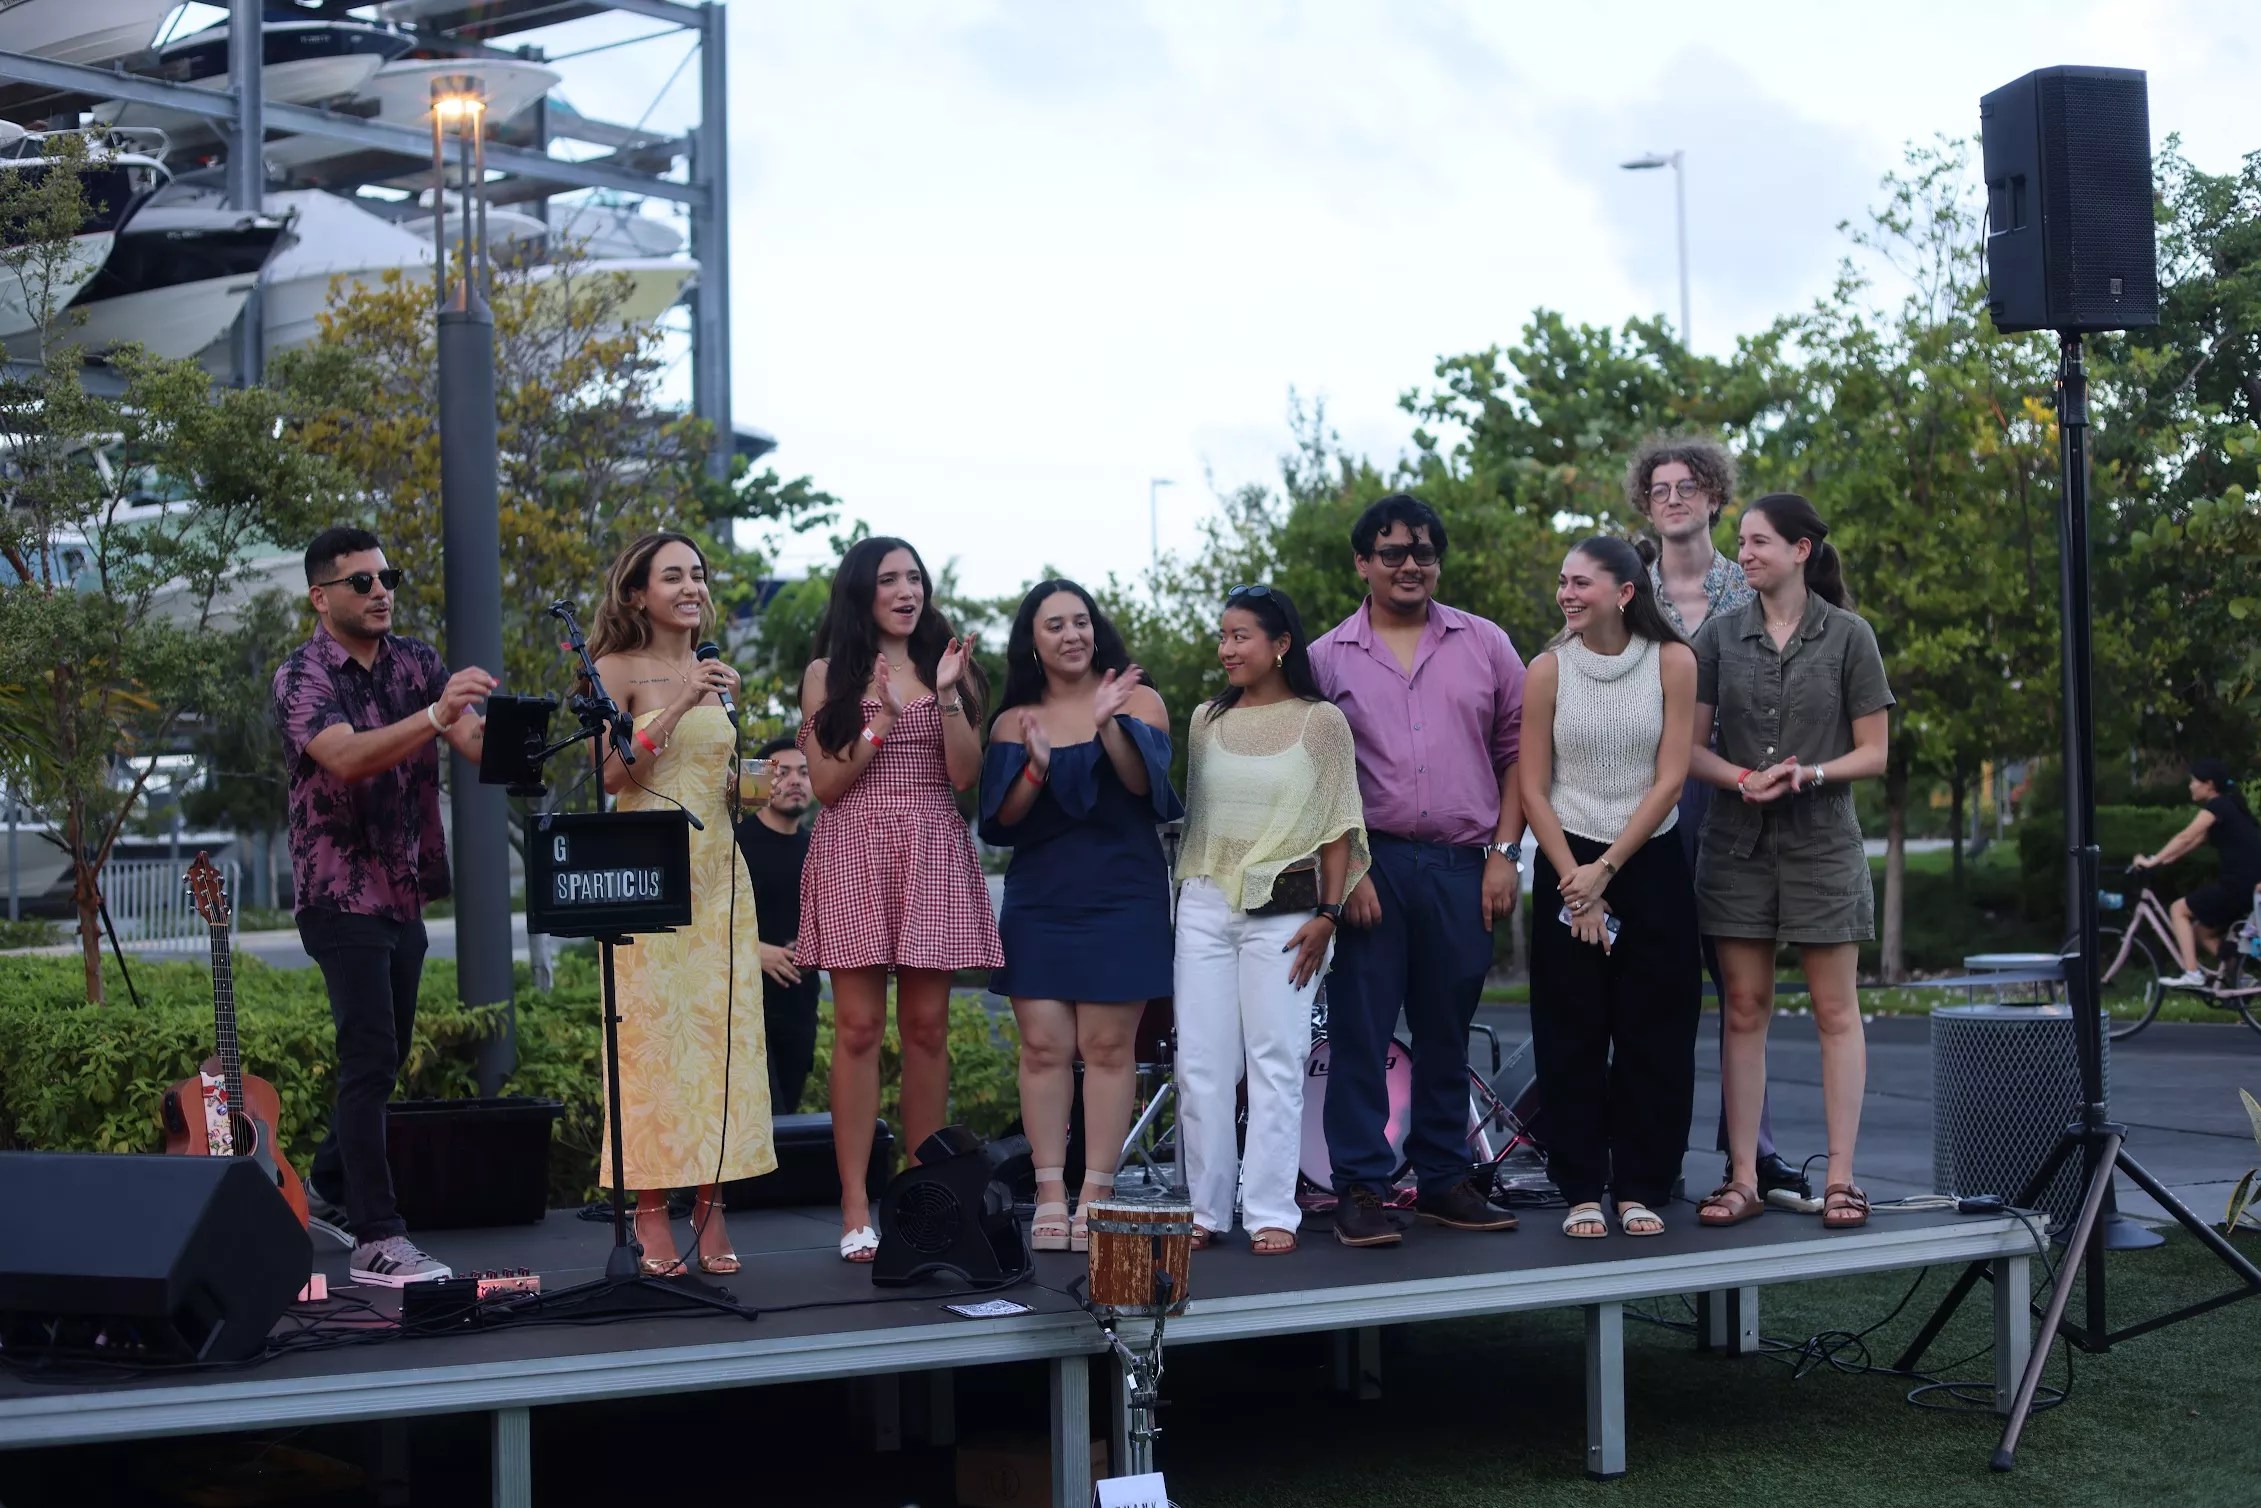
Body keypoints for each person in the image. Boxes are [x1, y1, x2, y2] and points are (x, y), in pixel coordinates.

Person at [272, 526, 495, 1287]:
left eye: (385, 577)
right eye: (361, 581)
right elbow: (345, 756)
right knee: (368, 1056)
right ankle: (377, 1234)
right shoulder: (301, 676)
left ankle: (329, 1184)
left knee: (387, 1053)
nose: (379, 592)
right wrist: (435, 718)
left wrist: (524, 745)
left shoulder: (417, 662)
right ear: (321, 595)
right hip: (337, 890)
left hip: (401, 889)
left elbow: (473, 743)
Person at [1309, 493, 1524, 1248]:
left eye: (1424, 552)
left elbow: (1518, 755)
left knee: (1445, 1031)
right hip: (1371, 868)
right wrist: (1350, 874)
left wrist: (1504, 856)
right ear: (1363, 562)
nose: (1411, 565)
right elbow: (1316, 782)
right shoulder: (1325, 657)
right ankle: (1361, 1188)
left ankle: (1442, 1180)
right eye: (1393, 552)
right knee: (1361, 1033)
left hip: (1463, 865)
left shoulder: (1487, 644)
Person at [1686, 494, 1892, 1233]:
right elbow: (1689, 746)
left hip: (1822, 845)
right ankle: (1742, 1179)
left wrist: (1809, 775)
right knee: (1741, 1011)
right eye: (1739, 541)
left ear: (1800, 550)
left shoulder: (1849, 637)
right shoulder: (1715, 637)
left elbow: (1875, 753)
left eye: (1758, 541)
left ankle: (1841, 1180)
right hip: (1735, 847)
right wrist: (1739, 780)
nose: (1742, 553)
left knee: (1836, 1012)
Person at [798, 536, 1002, 1262]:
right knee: (855, 1030)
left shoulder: (950, 664)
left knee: (926, 1030)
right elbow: (825, 786)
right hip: (854, 842)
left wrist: (947, 693)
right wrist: (878, 720)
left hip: (930, 843)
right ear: (862, 592)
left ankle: (926, 1196)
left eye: (914, 577)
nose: (905, 590)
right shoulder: (829, 673)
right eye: (888, 579)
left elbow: (964, 774)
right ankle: (855, 1203)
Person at [589, 531, 776, 1276]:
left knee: (720, 1045)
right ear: (638, 593)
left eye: (697, 574)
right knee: (654, 1048)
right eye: (674, 576)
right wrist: (679, 705)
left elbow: (720, 774)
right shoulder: (616, 668)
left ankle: (713, 1203)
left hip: (719, 875)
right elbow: (611, 776)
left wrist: (750, 782)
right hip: (646, 875)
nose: (691, 586)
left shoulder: (715, 671)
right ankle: (648, 1212)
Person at [1630, 437, 1809, 1207]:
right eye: (1659, 488)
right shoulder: (1622, 588)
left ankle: (1753, 1155)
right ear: (1646, 504)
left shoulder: (1753, 583)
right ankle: (1651, 1151)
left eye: (1688, 486)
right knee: (1655, 991)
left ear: (1713, 498)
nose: (1673, 498)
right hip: (1647, 804)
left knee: (1742, 990)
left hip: (1740, 800)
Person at [980, 580, 1181, 1251]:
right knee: (1042, 1048)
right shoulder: (1014, 720)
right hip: (1041, 899)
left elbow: (1140, 787)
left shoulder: (1137, 699)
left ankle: (1096, 1191)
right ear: (1031, 642)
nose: (1071, 635)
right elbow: (1002, 822)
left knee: (1105, 1049)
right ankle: (1046, 1193)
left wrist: (1105, 725)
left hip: (1123, 896)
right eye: (1054, 625)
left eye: (1080, 621)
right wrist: (1035, 767)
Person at [1175, 585, 1366, 1256]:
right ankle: (1205, 1210)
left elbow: (1339, 826)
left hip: (1285, 915)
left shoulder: (1321, 722)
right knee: (1201, 1063)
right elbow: (1199, 823)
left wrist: (1329, 913)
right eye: (1222, 635)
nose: (1226, 648)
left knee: (1276, 1061)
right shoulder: (1205, 721)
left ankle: (1270, 1212)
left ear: (1280, 643)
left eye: (1240, 636)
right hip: (1203, 904)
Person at [1518, 537, 1701, 1238]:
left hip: (1645, 861)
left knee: (1654, 1032)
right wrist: (1576, 886)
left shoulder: (1673, 662)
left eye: (1580, 583)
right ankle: (1580, 1190)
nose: (1565, 594)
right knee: (1571, 1033)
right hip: (1567, 862)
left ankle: (1640, 1186)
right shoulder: (1546, 670)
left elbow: (1671, 778)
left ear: (1624, 592)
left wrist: (1606, 874)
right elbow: (1533, 786)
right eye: (1562, 581)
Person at [737, 735, 820, 1115]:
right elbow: (702, 918)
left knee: (787, 1123)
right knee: (759, 1119)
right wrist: (753, 951)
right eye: (783, 772)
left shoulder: (821, 847)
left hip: (800, 1004)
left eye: (804, 773)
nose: (795, 781)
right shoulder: (736, 844)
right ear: (763, 779)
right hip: (744, 1005)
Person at [2134, 758, 2261, 988]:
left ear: (2209, 784)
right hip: (2246, 886)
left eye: (2194, 781)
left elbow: (2185, 836)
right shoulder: (2229, 807)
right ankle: (2239, 977)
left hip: (2237, 885)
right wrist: (2160, 860)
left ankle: (2192, 973)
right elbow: (2188, 846)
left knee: (2178, 909)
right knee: (2201, 932)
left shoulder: (2217, 806)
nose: (2190, 786)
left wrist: (2151, 863)